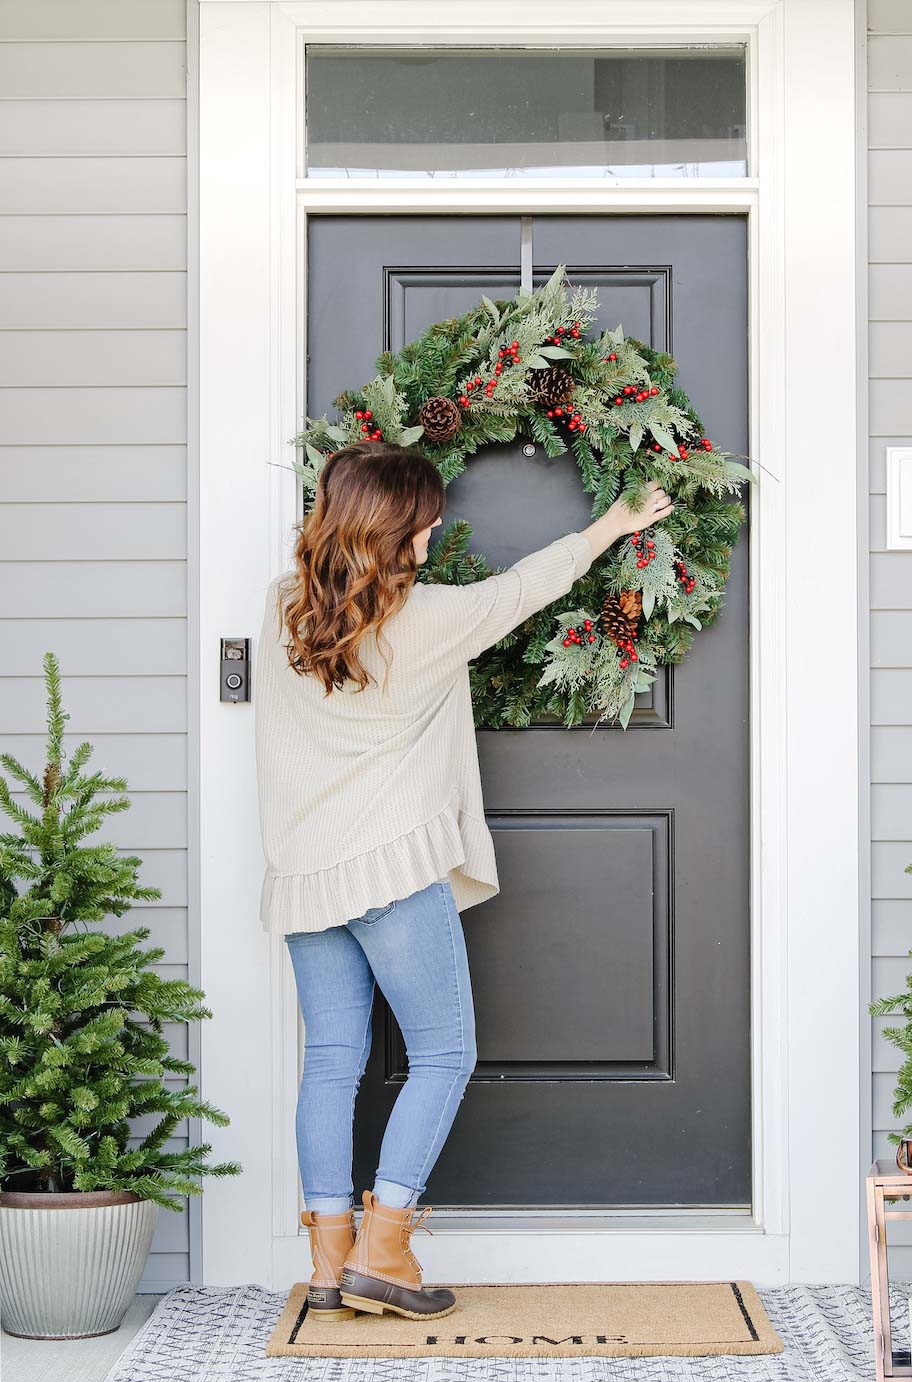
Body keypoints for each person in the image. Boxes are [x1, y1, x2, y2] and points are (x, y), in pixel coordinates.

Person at [254, 441, 674, 1321]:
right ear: (395, 530)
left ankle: (329, 1268)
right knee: (443, 1055)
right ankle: (385, 1252)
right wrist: (614, 523)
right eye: (428, 519)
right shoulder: (431, 618)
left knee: (330, 1063)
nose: (439, 528)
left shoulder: (284, 611)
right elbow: (527, 587)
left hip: (305, 872)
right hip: (394, 867)